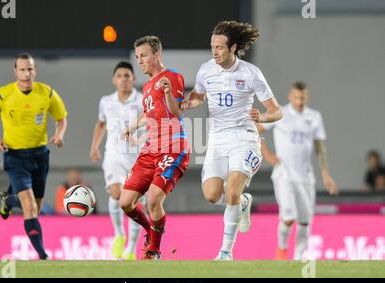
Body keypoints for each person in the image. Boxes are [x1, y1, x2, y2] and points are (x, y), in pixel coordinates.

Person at [181, 20, 283, 261]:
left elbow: (277, 111)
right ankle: (243, 203)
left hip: (244, 138)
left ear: (233, 47)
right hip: (217, 140)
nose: (214, 52)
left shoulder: (250, 73)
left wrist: (264, 116)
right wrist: (189, 103)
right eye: (212, 47)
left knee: (232, 192)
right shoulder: (206, 70)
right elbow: (198, 96)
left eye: (219, 47)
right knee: (212, 196)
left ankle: (225, 252)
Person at [0, 53, 68, 260]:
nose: (26, 74)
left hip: (40, 156)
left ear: (35, 70)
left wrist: (59, 135)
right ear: (15, 72)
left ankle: (8, 201)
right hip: (15, 157)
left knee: (34, 207)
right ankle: (43, 255)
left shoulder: (47, 93)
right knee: (29, 207)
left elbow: (62, 118)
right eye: (22, 70)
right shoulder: (3, 95)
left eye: (30, 69)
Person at [119, 36, 190, 260]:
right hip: (150, 149)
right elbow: (149, 112)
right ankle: (152, 230)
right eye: (137, 56)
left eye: (144, 55)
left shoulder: (172, 77)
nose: (140, 61)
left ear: (157, 55)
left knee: (153, 199)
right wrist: (133, 126)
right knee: (126, 202)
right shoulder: (148, 86)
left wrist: (169, 93)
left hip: (172, 147)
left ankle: (153, 250)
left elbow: (177, 112)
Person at [257, 81, 338, 260]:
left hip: (306, 176)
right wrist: (267, 154)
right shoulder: (280, 113)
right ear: (290, 97)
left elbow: (319, 146)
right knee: (289, 216)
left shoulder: (314, 116)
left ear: (306, 97)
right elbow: (257, 128)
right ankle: (282, 250)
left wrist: (325, 173)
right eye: (296, 97)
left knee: (304, 221)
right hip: (284, 174)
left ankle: (298, 259)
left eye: (302, 97)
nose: (299, 101)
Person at [89, 61, 146, 260]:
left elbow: (153, 126)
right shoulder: (106, 101)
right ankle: (119, 234)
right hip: (113, 154)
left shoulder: (142, 101)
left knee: (134, 202)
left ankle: (131, 246)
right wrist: (94, 146)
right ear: (114, 80)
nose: (123, 79)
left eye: (127, 76)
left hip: (139, 158)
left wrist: (138, 139)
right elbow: (101, 124)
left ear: (133, 79)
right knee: (115, 193)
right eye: (120, 76)